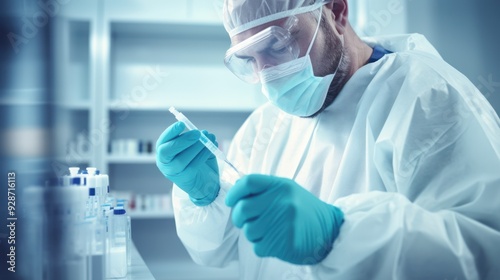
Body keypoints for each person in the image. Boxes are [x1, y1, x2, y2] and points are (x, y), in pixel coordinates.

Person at [156, 0, 500, 279]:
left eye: (277, 44)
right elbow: (224, 249)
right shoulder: (265, 124)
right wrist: (209, 196)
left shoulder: (425, 97)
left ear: (336, 12)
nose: (267, 76)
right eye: (248, 59)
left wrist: (339, 236)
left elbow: (483, 253)